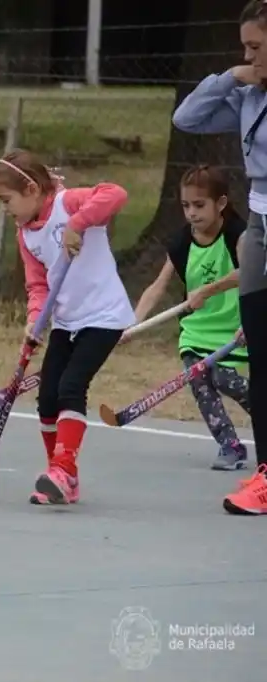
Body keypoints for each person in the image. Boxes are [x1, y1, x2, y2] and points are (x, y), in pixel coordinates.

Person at [0, 149, 135, 506]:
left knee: (71, 386)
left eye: (7, 200)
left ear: (32, 189)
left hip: (103, 316)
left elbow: (115, 193)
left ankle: (64, 470)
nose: (5, 209)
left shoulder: (70, 203)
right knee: (47, 396)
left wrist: (77, 224)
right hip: (65, 321)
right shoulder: (26, 235)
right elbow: (38, 284)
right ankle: (62, 474)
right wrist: (35, 321)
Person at [172, 0, 267, 514]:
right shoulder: (248, 94)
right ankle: (266, 475)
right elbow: (186, 118)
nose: (248, 55)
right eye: (244, 47)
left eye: (255, 46)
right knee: (262, 359)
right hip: (259, 225)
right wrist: (230, 75)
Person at [131, 165, 250, 471]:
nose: (192, 213)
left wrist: (208, 290)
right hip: (197, 328)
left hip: (233, 325)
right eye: (186, 206)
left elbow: (248, 273)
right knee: (199, 380)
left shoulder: (238, 233)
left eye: (200, 205)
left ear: (220, 203)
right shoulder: (182, 241)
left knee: (226, 380)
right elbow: (158, 286)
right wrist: (133, 323)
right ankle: (230, 446)